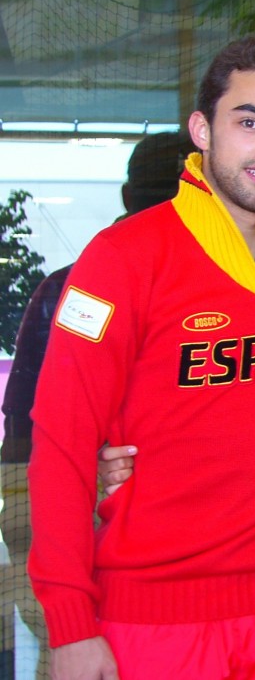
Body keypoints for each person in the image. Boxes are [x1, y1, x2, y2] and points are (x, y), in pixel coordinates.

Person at [27, 37, 255, 680]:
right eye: (249, 122)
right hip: (159, 623)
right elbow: (63, 439)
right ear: (202, 130)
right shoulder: (119, 260)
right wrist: (70, 625)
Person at [0, 129, 193, 678]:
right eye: (161, 192)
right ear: (131, 199)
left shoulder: (240, 287)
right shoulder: (75, 285)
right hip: (67, 511)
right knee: (73, 653)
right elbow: (26, 435)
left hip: (185, 555)